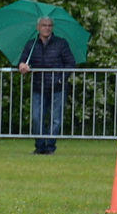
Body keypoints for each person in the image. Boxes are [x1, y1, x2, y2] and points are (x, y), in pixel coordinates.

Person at [17, 16, 77, 154]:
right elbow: (22, 62)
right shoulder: (31, 44)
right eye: (44, 25)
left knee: (56, 119)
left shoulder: (61, 43)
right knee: (37, 117)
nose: (47, 28)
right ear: (38, 27)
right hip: (38, 87)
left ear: (52, 27)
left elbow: (70, 63)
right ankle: (39, 146)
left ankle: (50, 147)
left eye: (49, 25)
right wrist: (22, 66)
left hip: (58, 87)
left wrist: (61, 79)